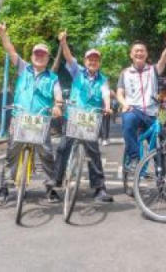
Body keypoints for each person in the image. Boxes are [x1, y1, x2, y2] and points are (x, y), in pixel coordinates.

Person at [0, 23, 64, 205]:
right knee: (12, 152)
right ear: (32, 56)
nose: (39, 57)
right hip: (20, 117)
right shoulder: (23, 68)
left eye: (43, 55)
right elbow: (10, 51)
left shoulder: (52, 77)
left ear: (48, 58)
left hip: (41, 120)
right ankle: (4, 189)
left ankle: (50, 189)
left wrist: (58, 106)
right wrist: (3, 34)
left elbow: (57, 95)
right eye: (37, 54)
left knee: (47, 153)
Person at [53, 31, 114, 203]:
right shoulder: (77, 71)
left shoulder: (103, 79)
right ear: (86, 61)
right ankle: (55, 181)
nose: (92, 62)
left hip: (91, 119)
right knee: (63, 146)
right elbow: (69, 58)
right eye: (90, 59)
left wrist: (107, 107)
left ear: (99, 62)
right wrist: (64, 42)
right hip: (74, 115)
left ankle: (99, 189)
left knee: (93, 152)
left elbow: (105, 93)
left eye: (95, 59)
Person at [116, 35, 166, 174]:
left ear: (146, 54)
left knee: (159, 148)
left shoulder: (153, 70)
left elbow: (163, 61)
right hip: (134, 110)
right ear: (131, 55)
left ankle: (162, 185)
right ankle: (135, 158)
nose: (139, 53)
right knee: (128, 122)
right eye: (136, 51)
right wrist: (124, 104)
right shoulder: (125, 73)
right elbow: (119, 93)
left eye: (142, 50)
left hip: (153, 112)